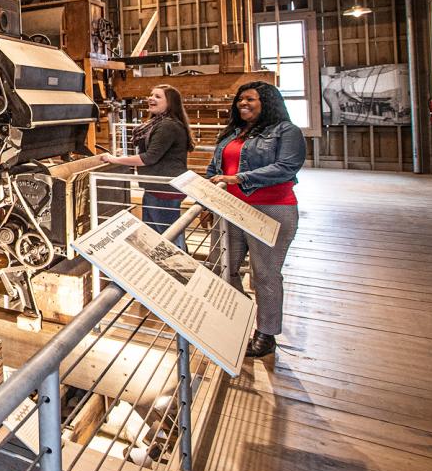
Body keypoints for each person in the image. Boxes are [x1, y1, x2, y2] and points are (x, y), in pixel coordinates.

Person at [206, 81, 306, 359]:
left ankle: (266, 333)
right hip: (228, 209)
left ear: (268, 102)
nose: (243, 104)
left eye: (250, 99)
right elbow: (215, 168)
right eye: (240, 100)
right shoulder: (232, 133)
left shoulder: (287, 132)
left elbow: (286, 168)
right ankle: (240, 317)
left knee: (265, 274)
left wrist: (240, 178)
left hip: (270, 208)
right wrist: (207, 196)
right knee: (224, 268)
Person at [100, 85, 193, 246]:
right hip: (156, 189)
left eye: (157, 96)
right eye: (151, 95)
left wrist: (114, 159)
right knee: (156, 238)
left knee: (168, 240)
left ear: (170, 103)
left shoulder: (168, 126)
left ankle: (177, 269)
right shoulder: (158, 123)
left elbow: (148, 158)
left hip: (164, 191)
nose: (151, 98)